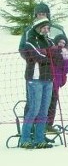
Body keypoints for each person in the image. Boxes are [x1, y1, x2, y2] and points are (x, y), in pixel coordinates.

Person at [18, 2, 68, 135]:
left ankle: (47, 125)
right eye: (39, 14)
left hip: (53, 71)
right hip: (36, 71)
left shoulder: (53, 29)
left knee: (51, 99)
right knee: (34, 102)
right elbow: (24, 48)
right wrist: (34, 58)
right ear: (35, 16)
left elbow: (59, 45)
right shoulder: (30, 30)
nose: (41, 16)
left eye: (44, 14)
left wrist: (60, 56)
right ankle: (30, 130)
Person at [19, 18, 60, 149]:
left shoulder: (49, 41)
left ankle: (39, 138)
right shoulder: (30, 41)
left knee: (44, 110)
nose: (46, 30)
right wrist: (49, 55)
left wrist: (50, 54)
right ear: (38, 27)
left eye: (48, 28)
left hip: (48, 79)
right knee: (34, 109)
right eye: (44, 27)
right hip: (35, 79)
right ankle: (25, 138)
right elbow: (37, 56)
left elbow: (58, 57)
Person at [47, 34, 68, 130]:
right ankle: (43, 125)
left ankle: (49, 124)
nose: (61, 44)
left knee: (53, 104)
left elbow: (67, 69)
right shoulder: (52, 51)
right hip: (50, 82)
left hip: (57, 84)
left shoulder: (63, 53)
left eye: (64, 43)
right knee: (48, 104)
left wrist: (66, 58)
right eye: (60, 42)